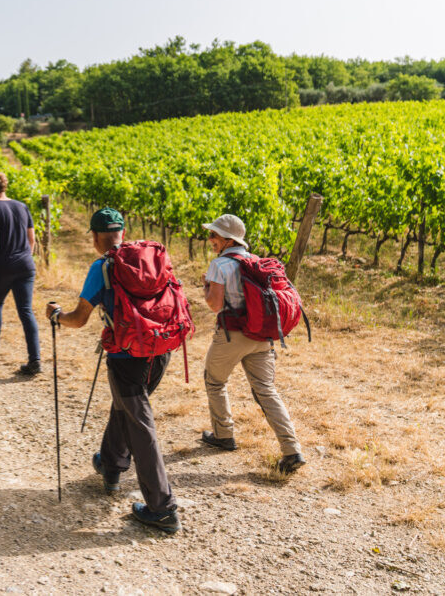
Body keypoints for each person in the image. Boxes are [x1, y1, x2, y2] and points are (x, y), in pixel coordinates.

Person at [45, 208, 180, 534]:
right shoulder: (150, 256)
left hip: (126, 357)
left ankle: (162, 508)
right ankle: (111, 465)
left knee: (140, 423)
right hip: (161, 349)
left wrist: (56, 316)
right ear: (123, 230)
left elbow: (78, 318)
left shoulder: (102, 267)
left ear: (94, 237)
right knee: (129, 410)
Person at [201, 214, 305, 474]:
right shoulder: (255, 261)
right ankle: (292, 450)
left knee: (214, 381)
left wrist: (206, 286)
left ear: (227, 240)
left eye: (214, 235)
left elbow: (215, 304)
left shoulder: (219, 265)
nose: (210, 239)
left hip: (232, 335)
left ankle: (223, 434)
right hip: (261, 336)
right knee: (266, 390)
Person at [0, 171, 41, 375]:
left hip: (3, 267)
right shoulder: (22, 206)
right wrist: (24, 257)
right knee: (26, 311)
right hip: (25, 265)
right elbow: (31, 238)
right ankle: (35, 360)